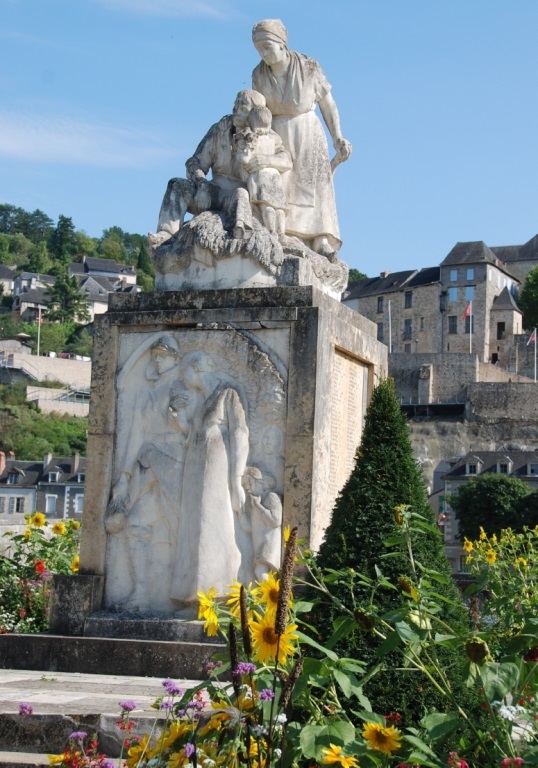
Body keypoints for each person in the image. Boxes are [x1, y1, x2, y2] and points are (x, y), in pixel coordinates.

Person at [251, 19, 352, 259]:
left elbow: (328, 104)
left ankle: (321, 239)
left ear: (281, 44)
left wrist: (338, 137)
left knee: (315, 185)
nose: (264, 53)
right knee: (283, 187)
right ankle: (285, 234)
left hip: (307, 131)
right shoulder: (258, 74)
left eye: (267, 46)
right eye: (259, 48)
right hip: (275, 135)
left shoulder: (308, 67)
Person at [152, 90, 290, 243]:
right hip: (212, 190)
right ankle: (166, 233)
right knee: (176, 185)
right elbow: (194, 163)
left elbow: (286, 160)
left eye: (242, 107)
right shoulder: (220, 129)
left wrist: (264, 160)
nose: (235, 110)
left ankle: (238, 236)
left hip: (238, 195)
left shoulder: (267, 137)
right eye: (235, 105)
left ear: (254, 113)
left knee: (241, 194)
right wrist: (201, 184)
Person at [170, 351, 250, 604]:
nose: (183, 376)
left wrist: (236, 479)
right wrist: (182, 423)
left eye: (185, 371)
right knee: (195, 524)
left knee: (212, 522)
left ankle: (217, 588)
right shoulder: (205, 398)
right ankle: (191, 591)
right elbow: (196, 434)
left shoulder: (228, 393)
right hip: (197, 466)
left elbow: (240, 434)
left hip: (216, 465)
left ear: (197, 369)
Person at [234, 104, 290, 240]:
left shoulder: (250, 137)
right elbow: (285, 159)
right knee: (280, 208)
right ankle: (281, 233)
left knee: (267, 205)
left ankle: (272, 231)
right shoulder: (273, 139)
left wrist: (241, 151)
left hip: (260, 176)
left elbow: (244, 159)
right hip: (275, 176)